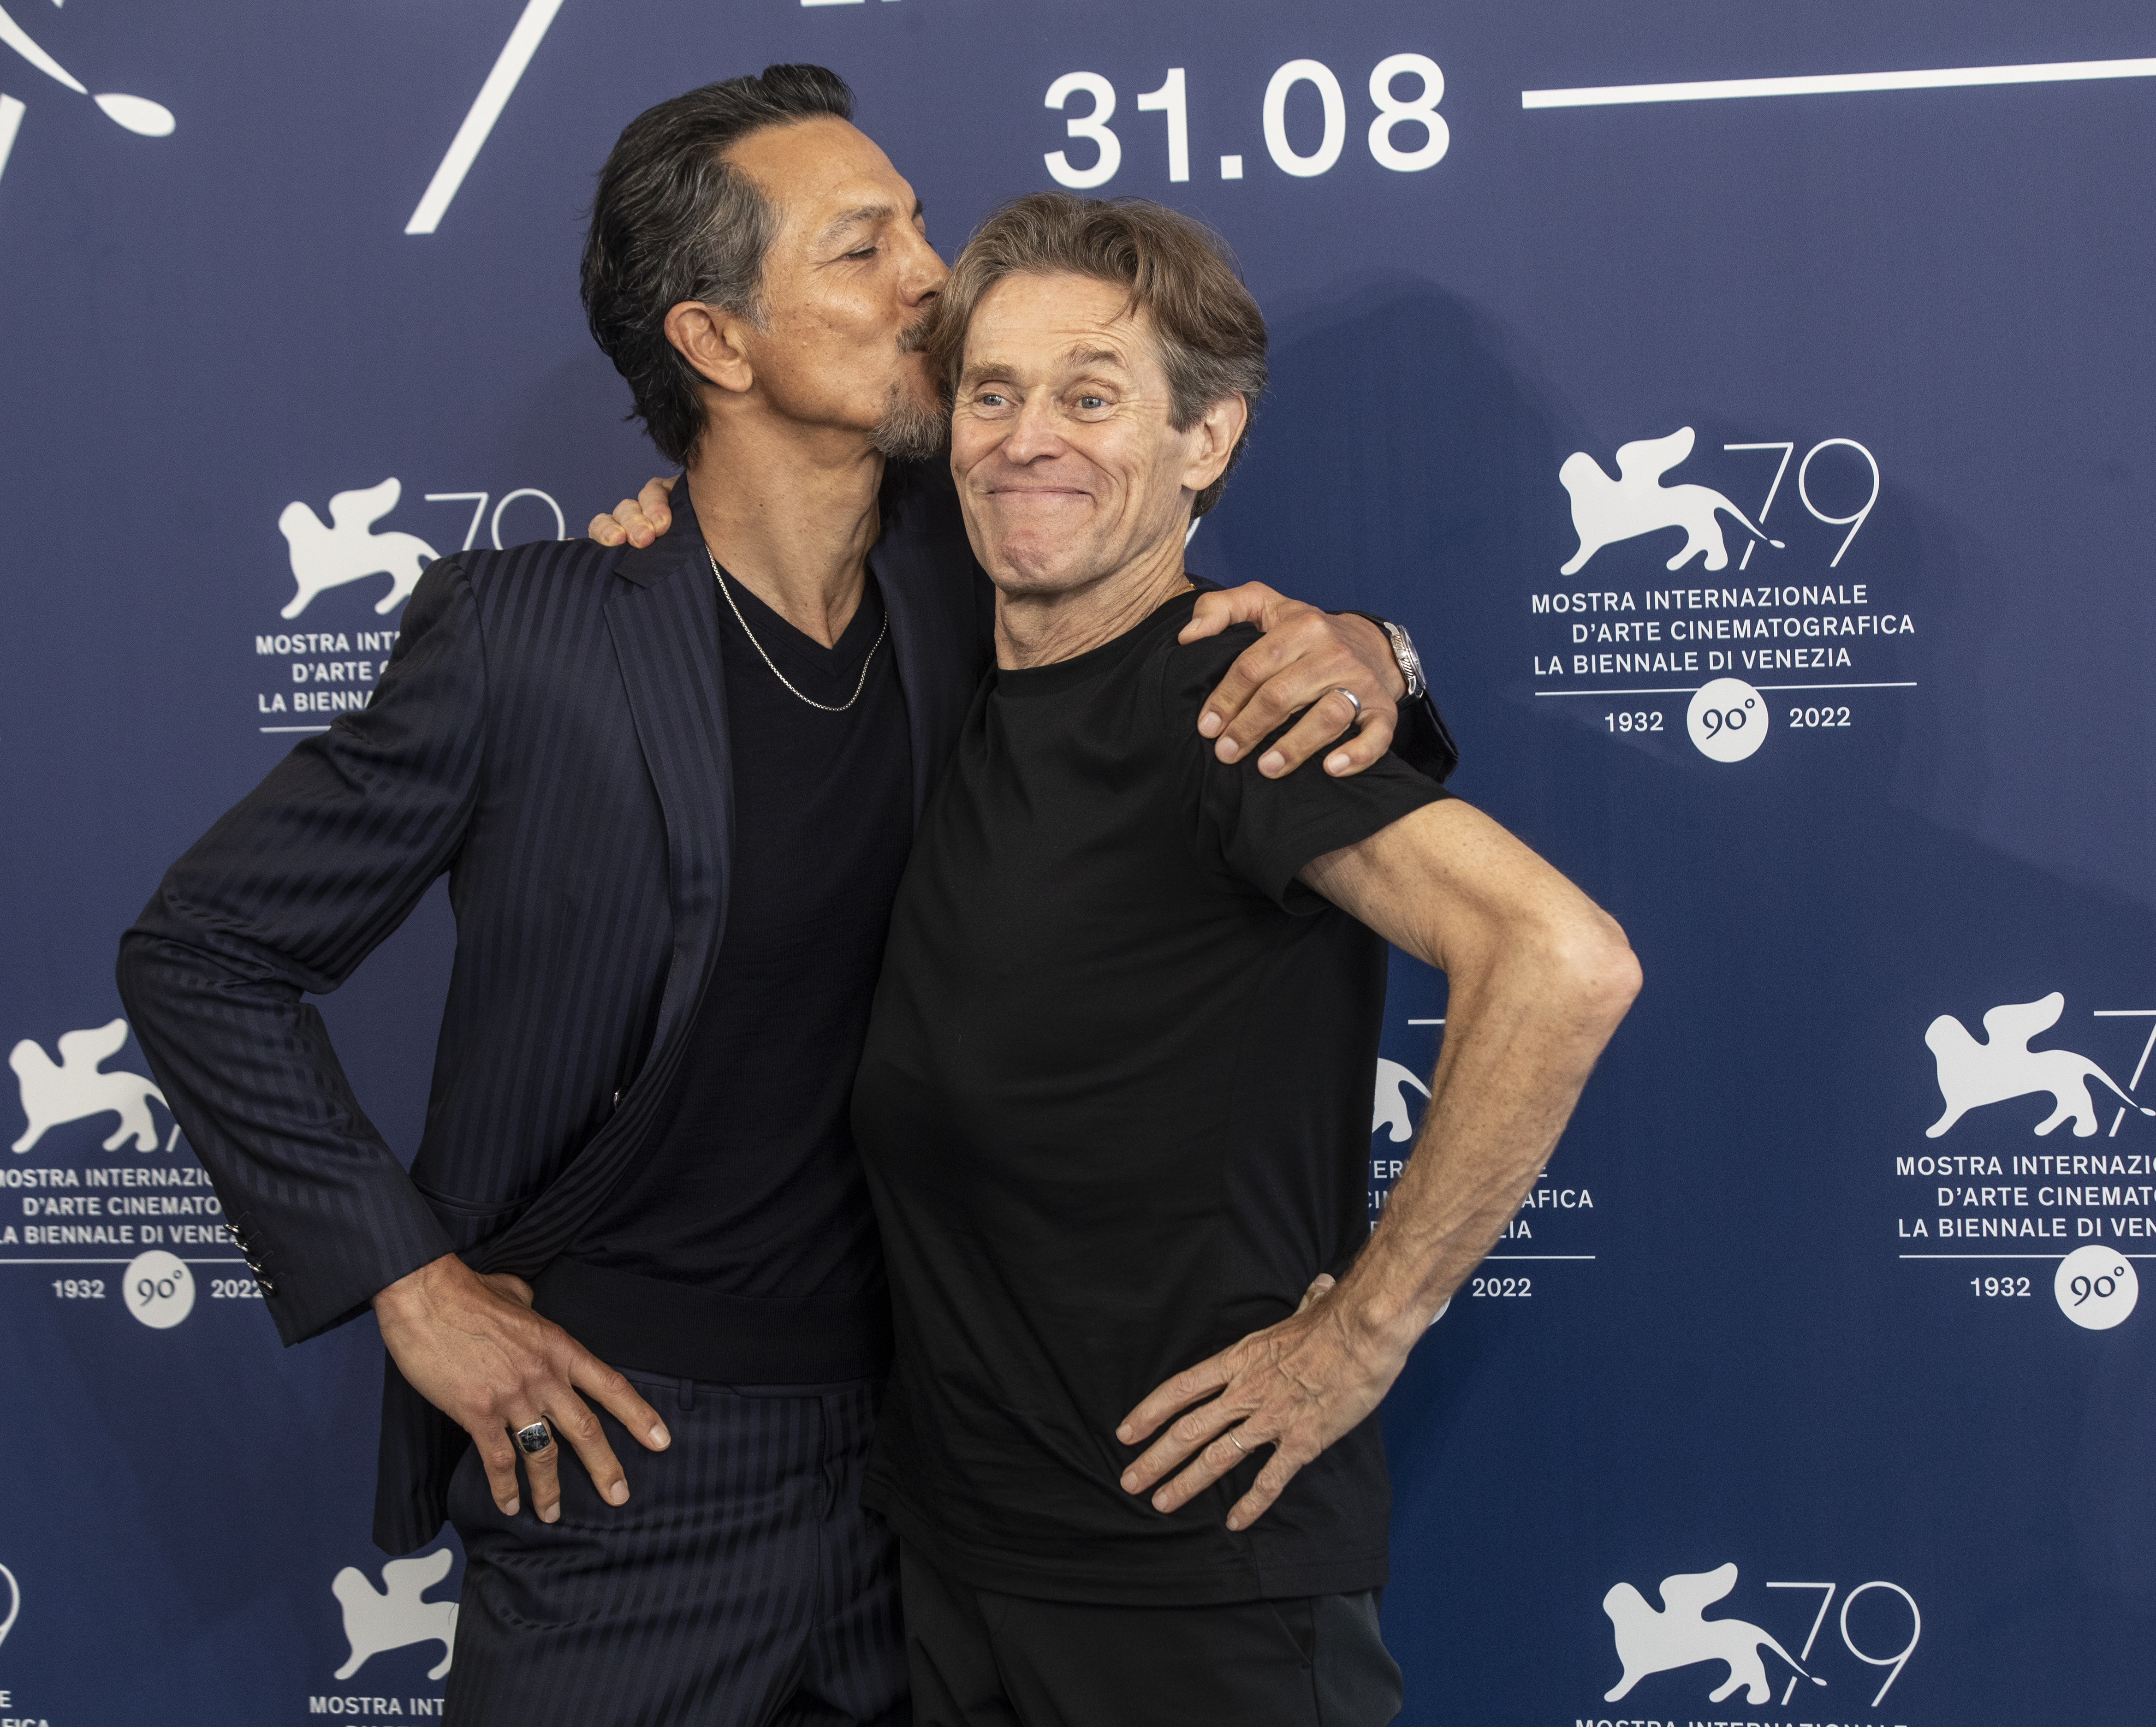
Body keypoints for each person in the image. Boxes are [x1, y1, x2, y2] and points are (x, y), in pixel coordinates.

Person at [115, 66, 1446, 1726]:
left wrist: (1381, 653)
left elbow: (1197, 633)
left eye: (916, 228)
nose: (929, 280)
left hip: (940, 1479)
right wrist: (412, 1285)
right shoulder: (531, 636)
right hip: (629, 1471)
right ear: (719, 346)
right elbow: (204, 950)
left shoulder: (977, 578)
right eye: (862, 246)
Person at [848, 192, 1640, 1726]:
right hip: (960, 1562)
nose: (1028, 440)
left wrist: (1364, 1333)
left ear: (1206, 443)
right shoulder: (949, 663)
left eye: (1094, 396)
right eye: (993, 394)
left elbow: (1561, 959)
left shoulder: (1239, 702)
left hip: (1192, 1593)